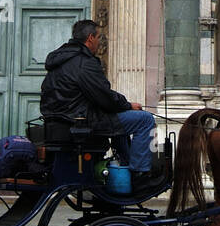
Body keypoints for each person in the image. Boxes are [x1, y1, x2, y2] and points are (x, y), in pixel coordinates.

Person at [40, 21, 157, 193]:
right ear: (90, 38)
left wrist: (121, 105)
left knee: (122, 122)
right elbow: (104, 97)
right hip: (84, 122)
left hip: (63, 121)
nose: (100, 42)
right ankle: (140, 175)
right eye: (98, 37)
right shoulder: (83, 62)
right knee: (145, 120)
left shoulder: (60, 60)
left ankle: (126, 167)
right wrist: (128, 105)